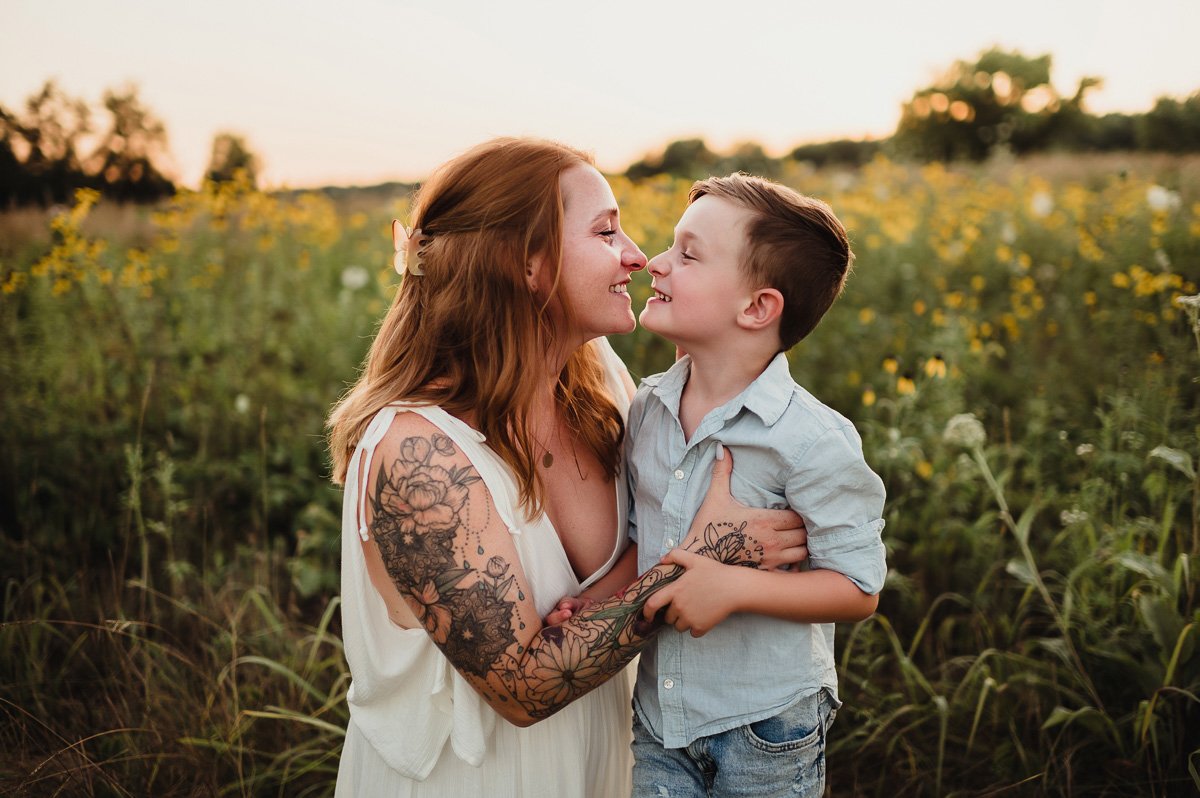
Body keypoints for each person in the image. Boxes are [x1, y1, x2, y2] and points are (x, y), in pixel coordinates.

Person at [325, 139, 808, 798]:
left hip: (605, 762)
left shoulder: (600, 383)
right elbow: (522, 687)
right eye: (606, 231)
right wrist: (697, 562)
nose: (637, 256)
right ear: (524, 263)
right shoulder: (416, 454)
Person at [549, 174, 887, 797]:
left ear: (757, 307)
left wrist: (732, 586)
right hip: (659, 719)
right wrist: (600, 599)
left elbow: (857, 588)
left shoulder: (810, 440)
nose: (655, 262)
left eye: (688, 255)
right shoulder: (648, 408)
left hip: (765, 723)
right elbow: (646, 537)